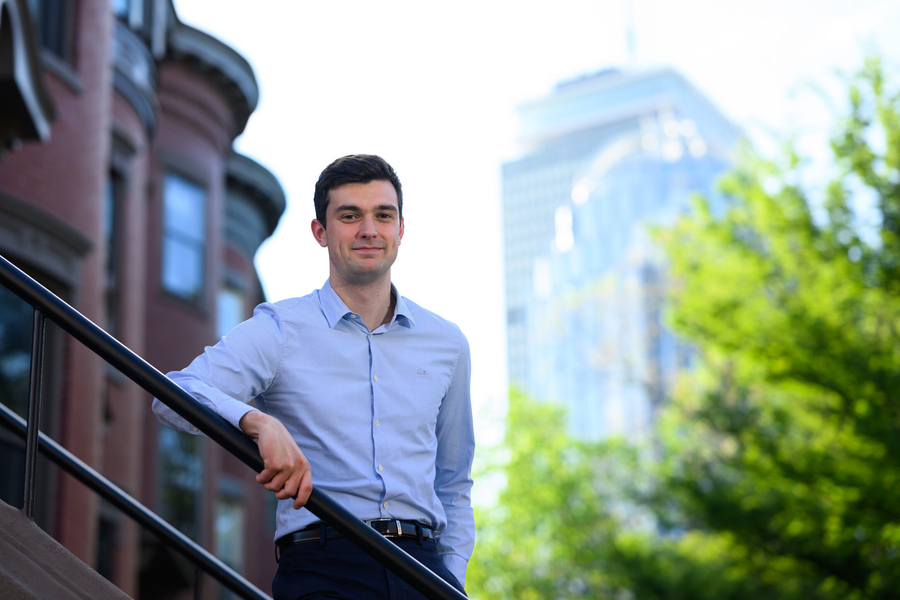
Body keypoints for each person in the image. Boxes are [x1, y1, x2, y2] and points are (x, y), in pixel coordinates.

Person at [152, 154, 474, 599]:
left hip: (423, 568)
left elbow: (453, 482)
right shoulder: (280, 329)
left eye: (384, 215)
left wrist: (451, 579)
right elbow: (172, 395)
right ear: (320, 232)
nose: (368, 230)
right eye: (349, 216)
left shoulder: (447, 343)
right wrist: (256, 422)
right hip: (323, 566)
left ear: (401, 230)